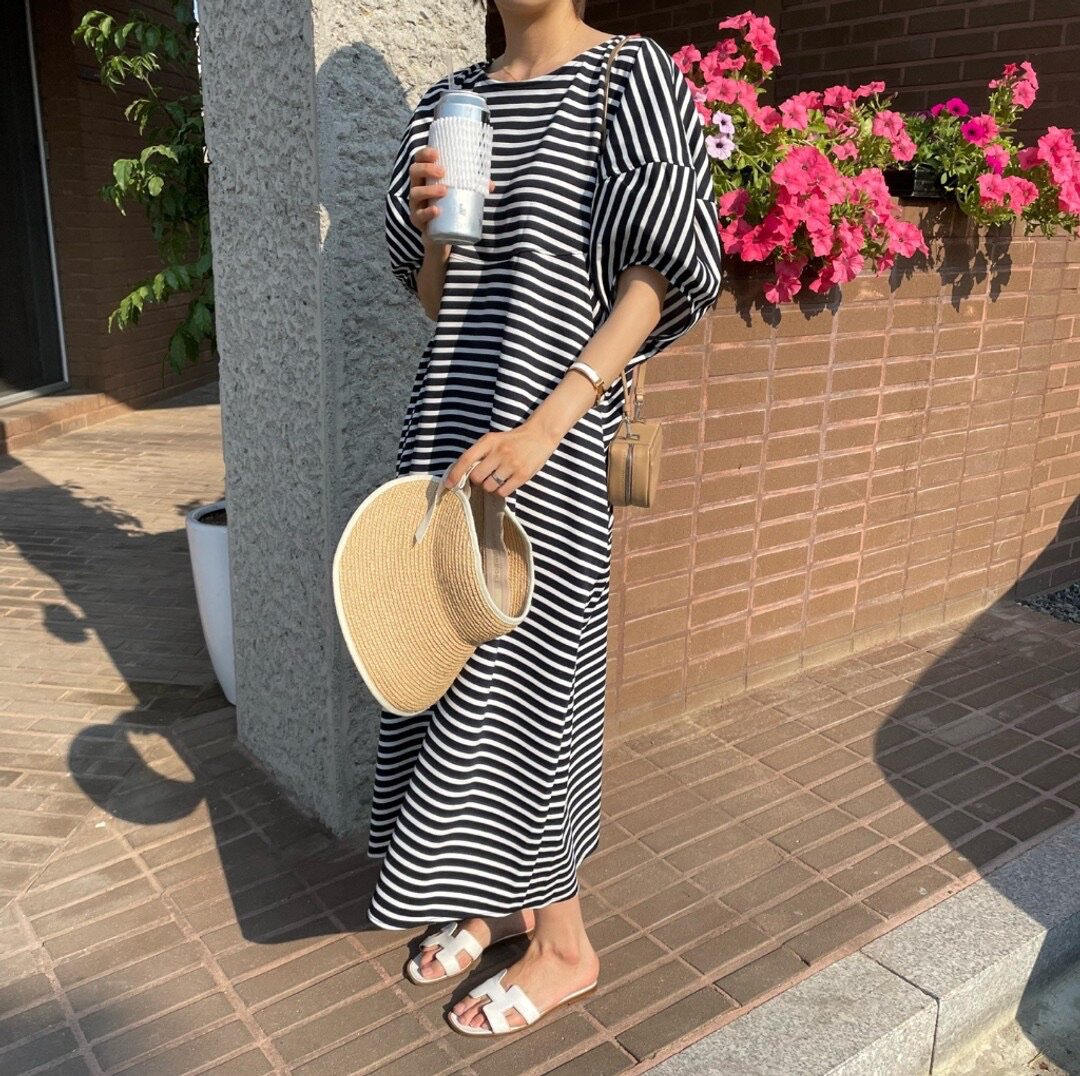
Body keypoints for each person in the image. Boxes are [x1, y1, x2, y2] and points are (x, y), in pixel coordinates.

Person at [372, 0, 723, 1036]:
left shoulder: (628, 76)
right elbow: (440, 299)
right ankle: (491, 899)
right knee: (446, 661)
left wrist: (546, 425)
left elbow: (656, 280)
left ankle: (565, 942)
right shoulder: (448, 101)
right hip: (449, 424)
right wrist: (433, 234)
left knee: (532, 683)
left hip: (550, 443)